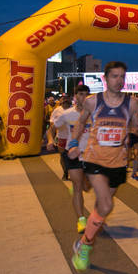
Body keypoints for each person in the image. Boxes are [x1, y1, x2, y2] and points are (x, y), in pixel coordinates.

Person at [67, 61, 138, 271]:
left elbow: (136, 123)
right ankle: (86, 246)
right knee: (107, 205)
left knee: (102, 207)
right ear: (105, 78)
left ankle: (82, 242)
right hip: (94, 159)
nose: (119, 81)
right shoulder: (93, 102)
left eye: (122, 77)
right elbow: (81, 123)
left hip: (118, 162)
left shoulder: (132, 103)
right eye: (114, 76)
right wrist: (73, 143)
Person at [51, 85, 92, 233]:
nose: (84, 97)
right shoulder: (67, 114)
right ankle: (81, 220)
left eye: (87, 94)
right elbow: (52, 127)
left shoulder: (95, 115)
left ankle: (83, 182)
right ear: (75, 96)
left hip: (90, 155)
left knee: (86, 187)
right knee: (77, 187)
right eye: (81, 94)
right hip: (73, 153)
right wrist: (50, 140)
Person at [48, 94, 75, 180]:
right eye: (64, 99)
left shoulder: (74, 109)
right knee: (63, 156)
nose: (65, 100)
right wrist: (52, 138)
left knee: (72, 156)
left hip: (73, 138)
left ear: (70, 100)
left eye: (67, 99)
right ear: (61, 101)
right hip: (61, 137)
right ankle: (65, 173)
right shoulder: (57, 110)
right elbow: (52, 124)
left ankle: (73, 172)